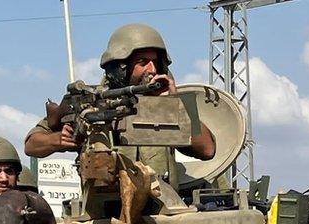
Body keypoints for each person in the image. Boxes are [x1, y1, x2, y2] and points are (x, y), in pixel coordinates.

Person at [24, 23, 216, 185]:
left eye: (155, 62)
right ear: (120, 67)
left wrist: (174, 105)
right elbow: (31, 144)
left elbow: (207, 149)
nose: (152, 69)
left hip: (161, 210)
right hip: (104, 213)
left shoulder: (166, 104)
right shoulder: (90, 102)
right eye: (142, 62)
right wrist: (59, 140)